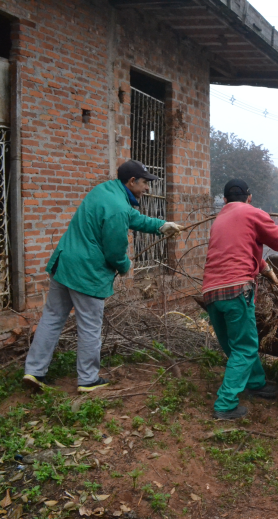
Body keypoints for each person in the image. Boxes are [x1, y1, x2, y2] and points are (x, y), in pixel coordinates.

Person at [23, 160, 184, 392]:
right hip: (86, 272)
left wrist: (160, 226)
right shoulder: (118, 207)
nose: (147, 188)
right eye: (145, 183)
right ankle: (88, 380)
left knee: (52, 317)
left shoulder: (104, 191)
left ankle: (34, 371)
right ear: (131, 181)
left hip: (64, 263)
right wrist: (125, 265)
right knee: (89, 325)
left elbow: (132, 217)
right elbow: (115, 250)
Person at [202, 178, 278, 420]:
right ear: (249, 198)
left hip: (210, 291)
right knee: (246, 348)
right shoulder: (252, 212)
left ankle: (256, 383)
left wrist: (267, 271)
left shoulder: (220, 220)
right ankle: (225, 404)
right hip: (236, 289)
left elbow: (241, 251)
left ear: (225, 200)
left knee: (234, 344)